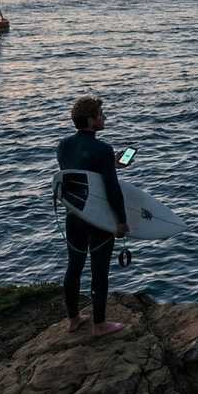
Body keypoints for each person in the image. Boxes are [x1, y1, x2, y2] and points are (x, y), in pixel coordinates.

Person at [57, 95, 129, 337]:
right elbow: (111, 189)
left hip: (74, 215)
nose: (104, 117)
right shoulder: (103, 149)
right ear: (90, 120)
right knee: (99, 271)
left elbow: (80, 175)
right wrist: (120, 221)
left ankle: (73, 319)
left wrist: (111, 164)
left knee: (73, 267)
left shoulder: (64, 145)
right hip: (98, 219)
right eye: (101, 114)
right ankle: (100, 324)